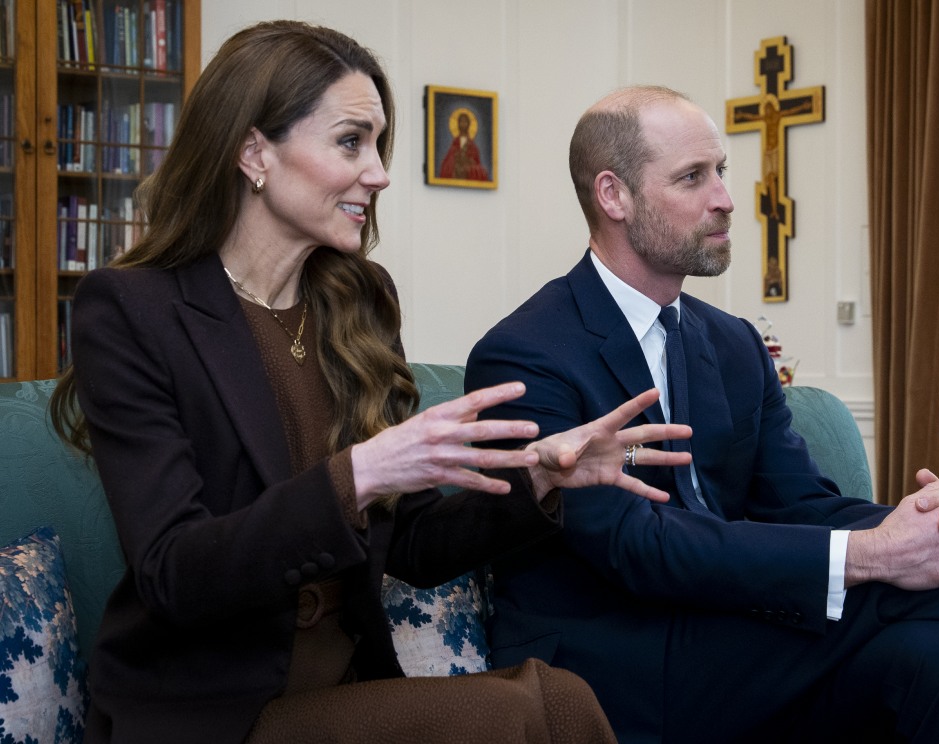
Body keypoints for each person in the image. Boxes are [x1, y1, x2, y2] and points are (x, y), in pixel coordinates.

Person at [47, 27, 693, 744]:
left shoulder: (359, 302)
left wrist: (539, 478)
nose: (380, 174)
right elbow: (173, 574)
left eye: (379, 146)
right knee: (526, 709)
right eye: (351, 142)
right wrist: (355, 476)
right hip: (212, 712)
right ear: (255, 152)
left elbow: (414, 546)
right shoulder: (132, 310)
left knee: (561, 701)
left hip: (345, 689)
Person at [465, 85, 939, 743]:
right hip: (611, 661)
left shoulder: (732, 343)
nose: (725, 198)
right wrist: (874, 554)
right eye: (692, 177)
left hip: (728, 635)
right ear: (613, 195)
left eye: (721, 171)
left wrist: (926, 528)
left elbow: (803, 503)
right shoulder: (527, 353)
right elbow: (637, 547)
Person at [439, 111, 489, 181]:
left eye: (465, 122)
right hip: (456, 166)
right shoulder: (455, 142)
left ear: (468, 124)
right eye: (461, 121)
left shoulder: (472, 145)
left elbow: (476, 160)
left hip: (468, 167)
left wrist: (469, 161)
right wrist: (456, 157)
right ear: (458, 124)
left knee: (481, 171)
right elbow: (449, 158)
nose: (463, 124)